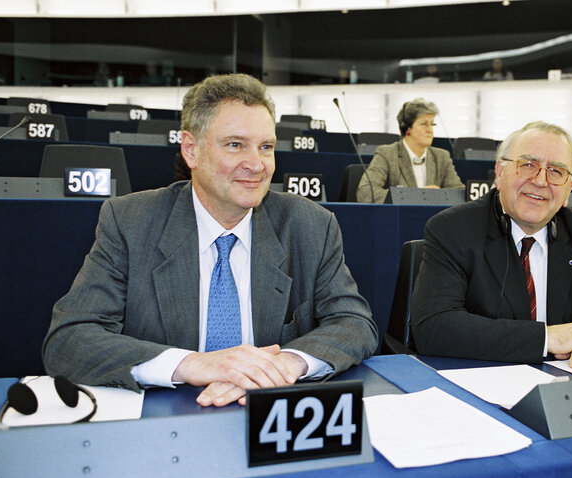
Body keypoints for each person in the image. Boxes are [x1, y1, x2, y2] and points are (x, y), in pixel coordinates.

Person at [43, 73, 377, 407]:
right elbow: (69, 339)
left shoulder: (310, 226)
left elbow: (354, 323)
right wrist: (193, 364)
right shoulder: (131, 222)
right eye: (235, 145)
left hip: (266, 414)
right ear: (191, 150)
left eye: (266, 147)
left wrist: (283, 365)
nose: (256, 165)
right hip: (165, 419)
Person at [411, 121, 572, 372]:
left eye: (556, 171)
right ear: (500, 174)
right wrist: (550, 338)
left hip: (565, 389)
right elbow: (434, 326)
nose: (540, 181)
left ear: (569, 188)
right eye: (528, 165)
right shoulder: (453, 229)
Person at [356, 98, 464, 203]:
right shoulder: (387, 154)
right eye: (424, 124)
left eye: (432, 124)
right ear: (407, 128)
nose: (430, 130)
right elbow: (365, 192)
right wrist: (416, 195)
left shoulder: (441, 156)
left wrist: (438, 195)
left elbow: (460, 193)